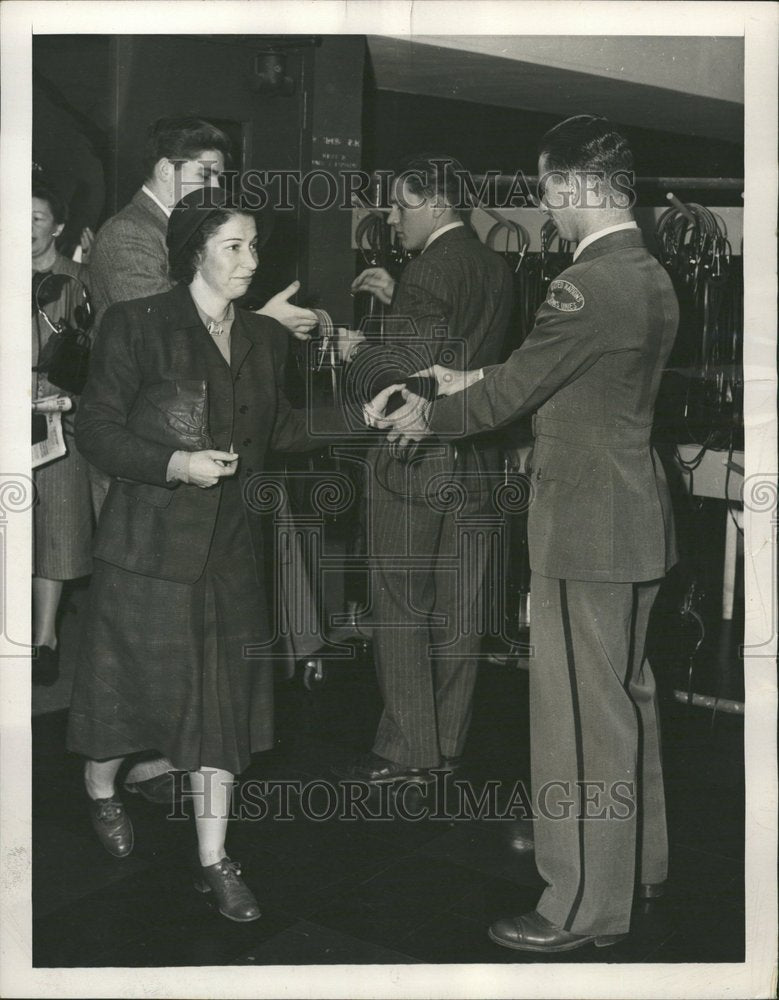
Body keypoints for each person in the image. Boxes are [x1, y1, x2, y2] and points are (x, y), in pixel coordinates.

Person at [373, 116, 678, 953]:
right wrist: (465, 373)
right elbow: (561, 377)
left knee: (579, 716)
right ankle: (638, 864)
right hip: (634, 514)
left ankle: (579, 906)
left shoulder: (585, 284)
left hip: (583, 521)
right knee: (628, 702)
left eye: (549, 190)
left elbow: (514, 397)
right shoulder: (645, 272)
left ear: (580, 186)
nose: (547, 208)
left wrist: (430, 412)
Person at [67, 189, 349, 922]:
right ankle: (100, 790)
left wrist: (364, 417)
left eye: (254, 246)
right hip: (148, 552)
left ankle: (215, 859)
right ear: (195, 250)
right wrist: (173, 463)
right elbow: (96, 430)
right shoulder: (137, 325)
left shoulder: (263, 337)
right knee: (125, 710)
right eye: (235, 246)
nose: (251, 261)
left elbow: (280, 429)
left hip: (228, 554)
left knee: (219, 711)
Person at [86, 115, 320, 801]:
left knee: (207, 669)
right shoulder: (130, 237)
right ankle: (122, 776)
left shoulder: (231, 298)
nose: (218, 186)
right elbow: (161, 341)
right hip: (157, 491)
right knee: (144, 666)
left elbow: (270, 419)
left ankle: (206, 833)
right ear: (167, 169)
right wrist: (258, 327)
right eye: (208, 175)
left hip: (215, 508)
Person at [337, 154, 514, 783]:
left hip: (415, 460)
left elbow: (406, 382)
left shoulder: (426, 273)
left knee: (400, 601)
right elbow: (464, 356)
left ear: (436, 205)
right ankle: (447, 744)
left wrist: (357, 351)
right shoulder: (495, 266)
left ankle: (409, 748)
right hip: (477, 458)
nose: (390, 217)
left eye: (400, 206)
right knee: (461, 608)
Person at [31, 176, 93, 686]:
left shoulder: (80, 280)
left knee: (55, 528)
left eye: (37, 218)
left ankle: (45, 636)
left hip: (62, 419)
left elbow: (105, 360)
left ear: (59, 226)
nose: (26, 228)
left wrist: (72, 399)